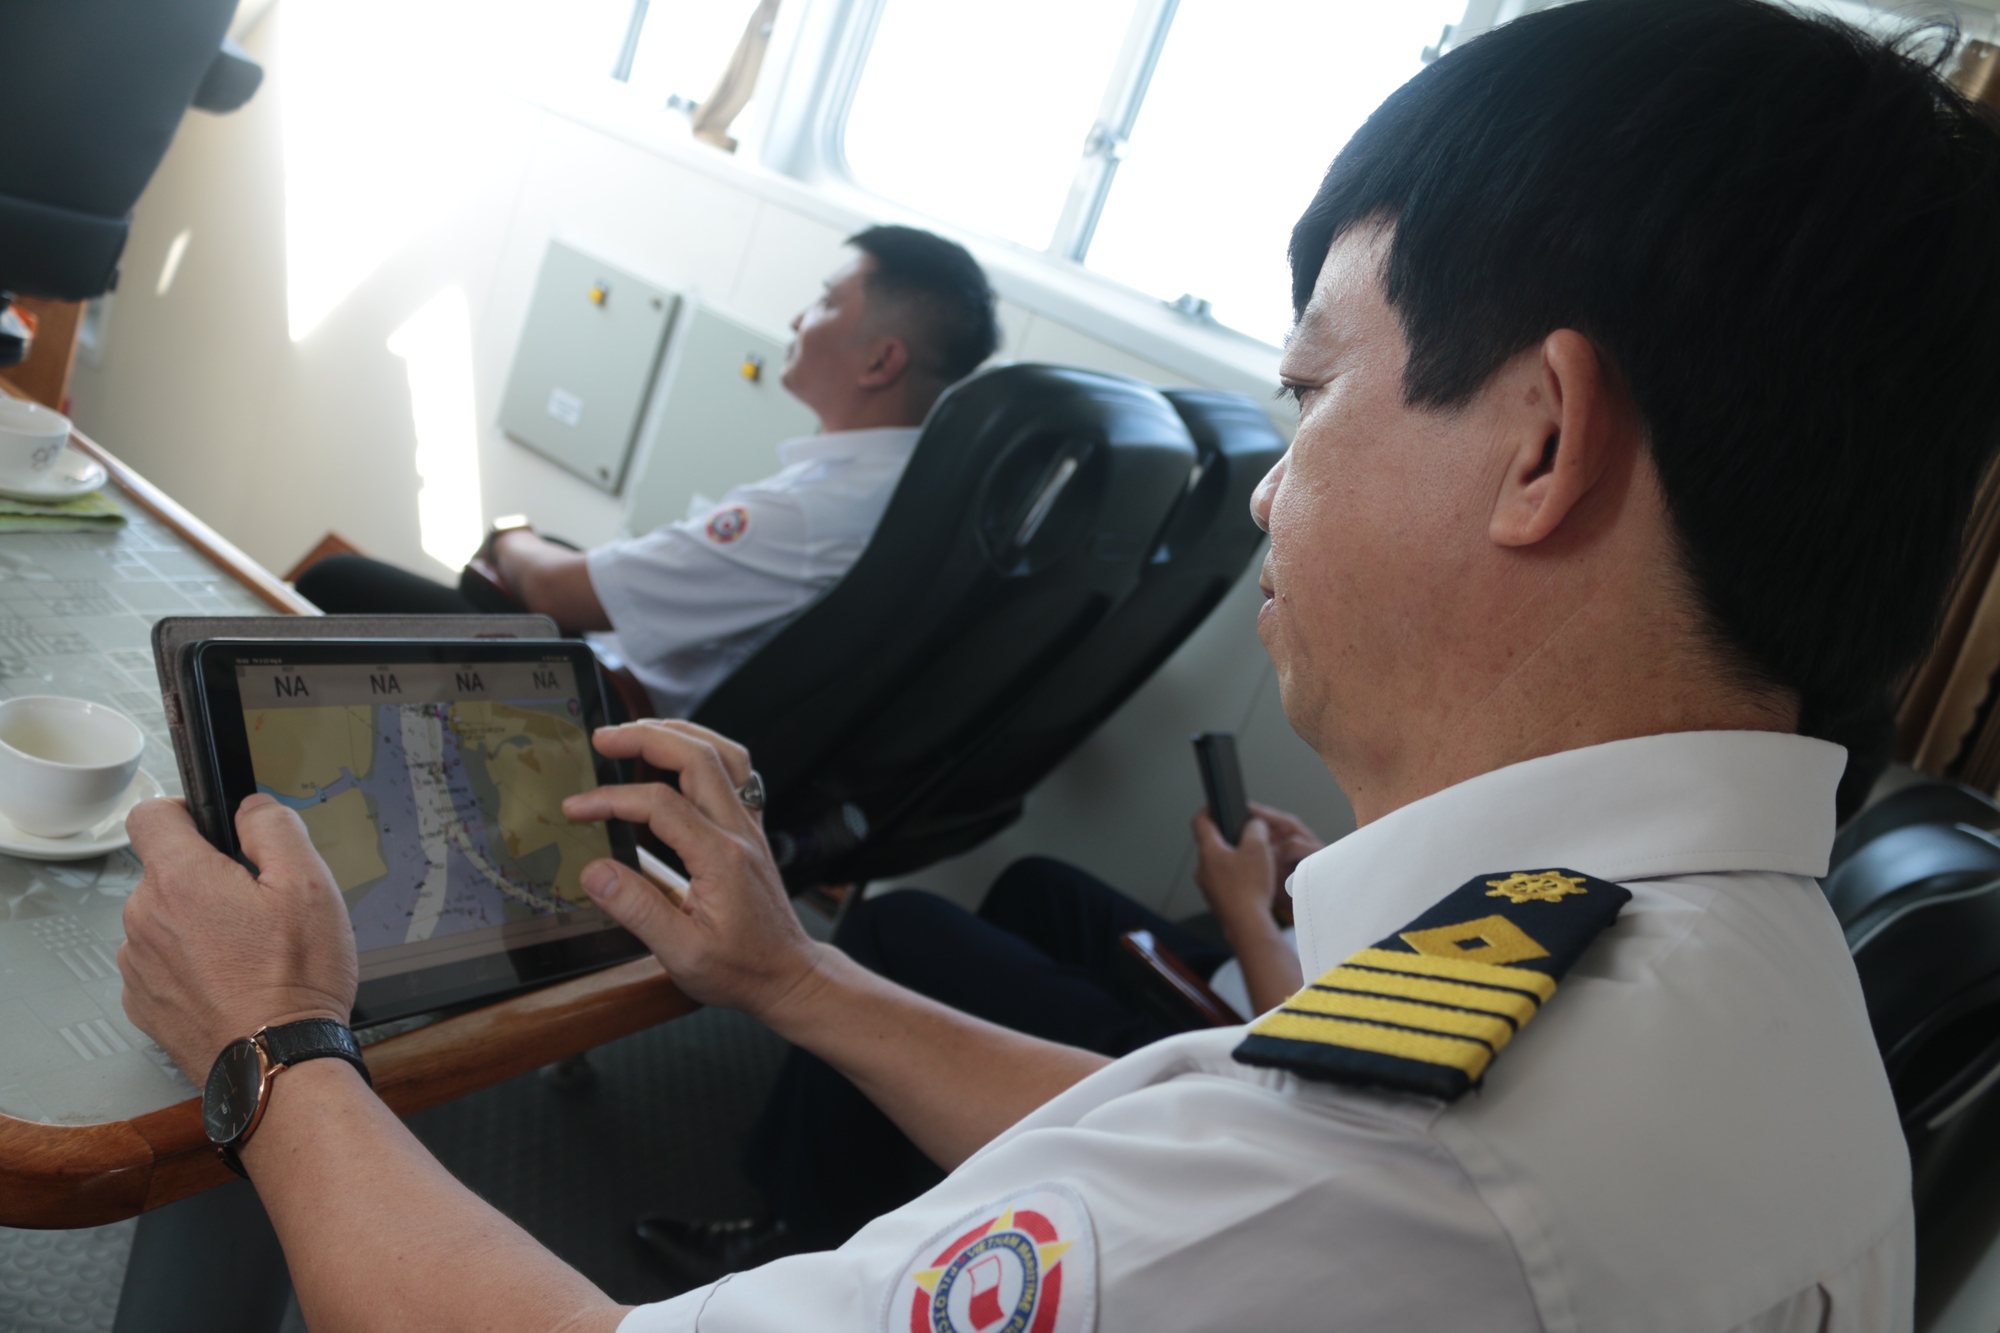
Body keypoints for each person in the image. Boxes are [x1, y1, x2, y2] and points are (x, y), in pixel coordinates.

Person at [116, 1, 2000, 1327]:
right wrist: (797, 977)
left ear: (1542, 440)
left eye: (1313, 389)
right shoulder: (1762, 989)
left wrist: (276, 1048)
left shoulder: (1413, 1161)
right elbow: (1192, 1139)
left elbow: (1263, 1182)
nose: (1271, 490)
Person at [296, 224, 1000, 717]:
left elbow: (556, 590)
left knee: (336, 580)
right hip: (676, 701)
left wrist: (510, 535)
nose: (796, 319)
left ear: (881, 360)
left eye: (825, 302)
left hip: (604, 709)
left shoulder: (811, 514)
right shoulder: (906, 492)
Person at [639, 801, 1323, 1284]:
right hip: (1271, 972)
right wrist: (1319, 884)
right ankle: (931, 1150)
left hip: (1249, 1044)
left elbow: (1310, 1065)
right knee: (1038, 887)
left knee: (894, 930)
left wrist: (1246, 916)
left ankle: (804, 1228)